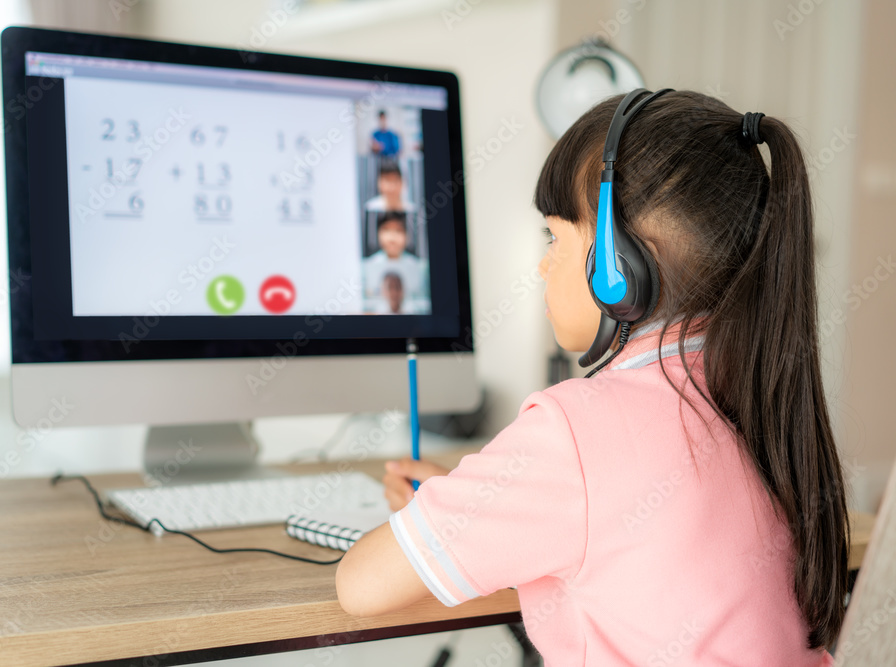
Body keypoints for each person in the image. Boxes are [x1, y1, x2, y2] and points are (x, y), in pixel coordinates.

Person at [336, 90, 848, 666]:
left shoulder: (573, 432)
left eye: (554, 236)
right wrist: (481, 504)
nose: (542, 264)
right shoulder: (758, 391)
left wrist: (439, 518)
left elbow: (361, 587)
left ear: (617, 266)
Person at [362, 211, 427, 303]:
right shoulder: (367, 266)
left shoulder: (419, 267)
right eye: (386, 230)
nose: (392, 238)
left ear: (407, 235)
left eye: (398, 230)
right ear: (378, 233)